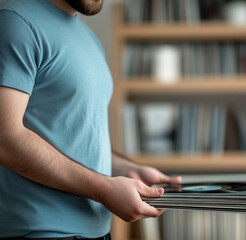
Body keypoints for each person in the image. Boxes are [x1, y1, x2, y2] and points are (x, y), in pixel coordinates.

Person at [0, 0, 181, 238]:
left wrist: (129, 170)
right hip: (41, 233)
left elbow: (80, 138)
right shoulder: (16, 23)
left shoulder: (88, 37)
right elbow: (6, 139)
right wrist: (104, 189)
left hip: (98, 232)